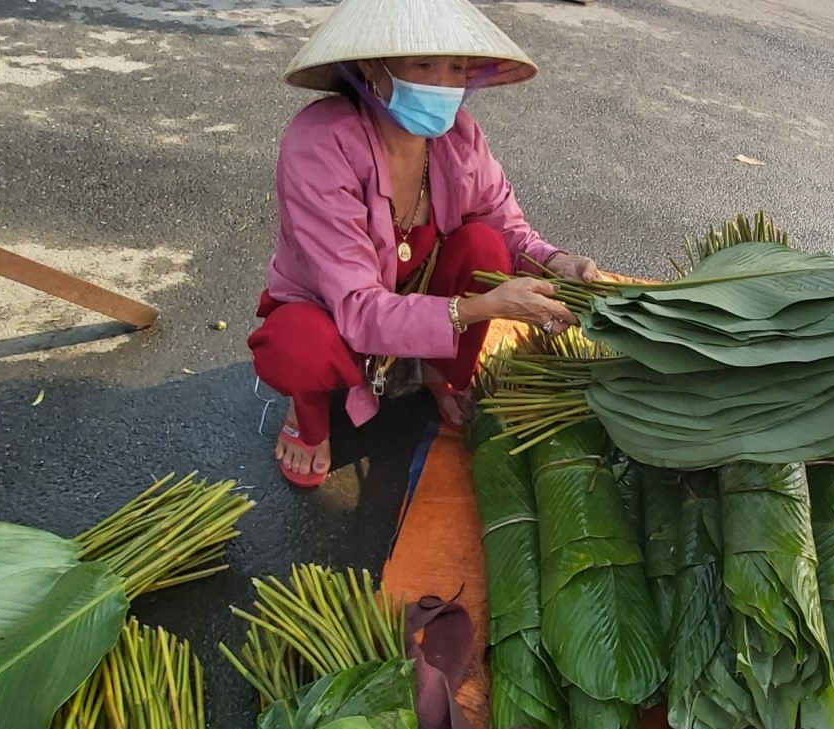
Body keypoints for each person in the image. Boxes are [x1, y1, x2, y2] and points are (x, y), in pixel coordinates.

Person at [248, 0, 600, 488]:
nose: (443, 84)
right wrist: (478, 309)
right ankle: (308, 413)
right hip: (333, 310)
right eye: (423, 65)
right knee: (299, 346)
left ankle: (436, 374)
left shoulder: (459, 137)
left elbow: (505, 225)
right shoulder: (319, 143)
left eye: (456, 67)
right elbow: (357, 308)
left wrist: (555, 261)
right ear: (373, 65)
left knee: (484, 248)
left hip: (414, 289)